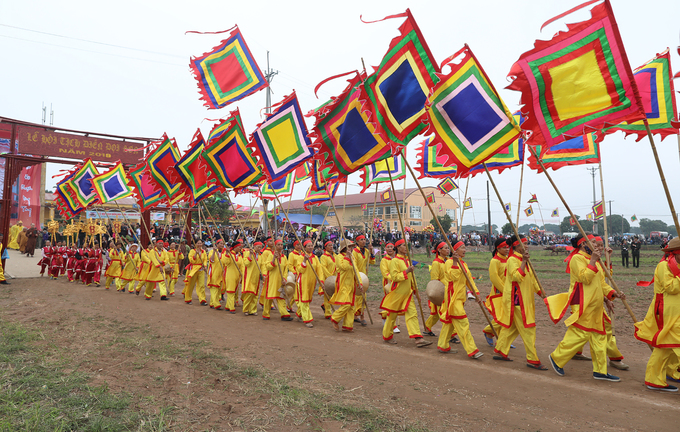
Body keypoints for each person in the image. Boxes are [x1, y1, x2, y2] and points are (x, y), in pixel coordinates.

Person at [546, 234, 624, 381]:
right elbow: (584, 278)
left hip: (595, 304)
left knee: (599, 336)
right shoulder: (577, 258)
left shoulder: (595, 260)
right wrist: (593, 260)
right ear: (583, 245)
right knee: (579, 335)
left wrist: (613, 293)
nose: (596, 245)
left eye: (596, 242)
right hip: (582, 303)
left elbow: (602, 283)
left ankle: (600, 371)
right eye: (593, 242)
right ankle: (557, 358)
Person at [490, 235, 548, 369]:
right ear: (516, 246)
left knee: (512, 327)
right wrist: (523, 262)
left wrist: (542, 294)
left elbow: (532, 280)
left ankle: (500, 350)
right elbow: (516, 276)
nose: (527, 246)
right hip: (517, 300)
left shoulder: (523, 259)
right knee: (528, 329)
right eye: (525, 244)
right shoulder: (512, 260)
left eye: (527, 244)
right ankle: (532, 359)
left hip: (525, 299)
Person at [634, 237, 680, 391]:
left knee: (666, 345)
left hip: (677, 312)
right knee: (666, 343)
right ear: (675, 253)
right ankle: (654, 379)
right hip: (666, 311)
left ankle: (660, 376)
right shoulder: (663, 266)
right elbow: (671, 288)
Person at [381, 239, 432, 348]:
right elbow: (394, 277)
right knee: (392, 316)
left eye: (407, 245)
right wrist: (406, 271)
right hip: (398, 292)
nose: (406, 248)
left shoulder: (407, 260)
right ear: (398, 248)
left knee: (412, 314)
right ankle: (387, 335)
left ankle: (418, 338)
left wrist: (416, 291)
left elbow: (411, 278)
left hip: (408, 293)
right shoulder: (395, 261)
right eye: (404, 245)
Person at [436, 241, 481, 357]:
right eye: (462, 248)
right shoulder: (449, 262)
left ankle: (443, 345)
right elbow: (453, 277)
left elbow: (469, 280)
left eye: (465, 247)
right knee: (463, 323)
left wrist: (476, 293)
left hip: (460, 298)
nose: (465, 250)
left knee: (450, 323)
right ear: (455, 250)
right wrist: (455, 262)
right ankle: (472, 350)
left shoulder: (464, 264)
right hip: (452, 298)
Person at [484, 238, 509, 346]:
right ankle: (489, 331)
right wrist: (505, 290)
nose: (507, 249)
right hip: (499, 292)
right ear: (497, 248)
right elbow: (494, 278)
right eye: (504, 247)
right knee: (501, 317)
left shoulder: (509, 259)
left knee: (507, 316)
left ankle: (501, 340)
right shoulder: (494, 261)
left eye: (508, 247)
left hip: (509, 291)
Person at [330, 239, 360, 332]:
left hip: (351, 284)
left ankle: (348, 326)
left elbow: (356, 271)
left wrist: (359, 282)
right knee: (346, 304)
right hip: (343, 283)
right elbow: (344, 267)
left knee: (351, 306)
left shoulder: (353, 257)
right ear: (344, 248)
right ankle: (335, 318)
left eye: (352, 247)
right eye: (350, 247)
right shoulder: (339, 257)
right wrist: (347, 256)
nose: (352, 248)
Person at [262, 239, 293, 321]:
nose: (280, 246)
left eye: (281, 245)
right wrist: (273, 259)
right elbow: (268, 267)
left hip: (280, 280)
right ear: (275, 246)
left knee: (281, 297)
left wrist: (285, 279)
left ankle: (285, 314)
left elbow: (285, 270)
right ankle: (266, 314)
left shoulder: (284, 257)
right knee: (269, 297)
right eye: (278, 245)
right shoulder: (271, 255)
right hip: (272, 280)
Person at [425, 241, 450, 337]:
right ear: (439, 250)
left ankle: (427, 328)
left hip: (448, 290)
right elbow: (434, 280)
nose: (448, 250)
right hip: (439, 291)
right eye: (446, 248)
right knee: (443, 313)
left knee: (436, 314)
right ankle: (450, 334)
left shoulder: (448, 261)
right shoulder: (436, 263)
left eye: (448, 248)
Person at [296, 240, 322, 328]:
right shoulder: (300, 257)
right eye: (309, 246)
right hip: (303, 281)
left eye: (312, 246)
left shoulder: (315, 258)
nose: (311, 247)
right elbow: (300, 270)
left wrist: (321, 281)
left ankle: (299, 313)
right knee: (304, 300)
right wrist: (304, 260)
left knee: (308, 300)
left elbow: (319, 269)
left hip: (312, 282)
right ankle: (307, 319)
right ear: (304, 247)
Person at [352, 234, 375, 326]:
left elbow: (372, 261)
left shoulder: (366, 251)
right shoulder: (354, 252)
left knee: (362, 298)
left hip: (364, 277)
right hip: (356, 277)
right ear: (357, 242)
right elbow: (354, 265)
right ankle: (356, 316)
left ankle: (361, 315)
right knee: (356, 297)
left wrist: (371, 251)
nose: (364, 241)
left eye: (364, 239)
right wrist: (357, 277)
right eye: (361, 240)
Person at [240, 241, 263, 316]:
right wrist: (250, 254)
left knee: (255, 294)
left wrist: (264, 274)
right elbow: (246, 263)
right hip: (249, 276)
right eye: (258, 247)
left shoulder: (260, 256)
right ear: (254, 246)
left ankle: (252, 310)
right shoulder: (247, 253)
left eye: (260, 247)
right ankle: (246, 309)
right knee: (249, 293)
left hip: (256, 277)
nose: (259, 249)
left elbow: (262, 266)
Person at [184, 240, 208, 305]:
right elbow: (192, 261)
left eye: (200, 243)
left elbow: (205, 259)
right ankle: (188, 299)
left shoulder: (203, 252)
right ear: (195, 244)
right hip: (194, 269)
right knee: (191, 285)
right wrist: (195, 254)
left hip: (201, 269)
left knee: (201, 285)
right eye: (198, 243)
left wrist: (205, 266)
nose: (199, 244)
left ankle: (202, 299)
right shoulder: (192, 251)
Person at [207, 239, 228, 309]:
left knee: (218, 288)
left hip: (221, 273)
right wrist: (214, 252)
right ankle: (216, 304)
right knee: (214, 287)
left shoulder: (224, 253)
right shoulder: (212, 252)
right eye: (221, 244)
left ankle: (212, 303)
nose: (222, 245)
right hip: (214, 272)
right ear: (217, 244)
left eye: (223, 244)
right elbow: (211, 260)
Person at [318, 240, 336, 319]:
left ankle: (324, 305)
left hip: (335, 278)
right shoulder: (323, 257)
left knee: (333, 295)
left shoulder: (335, 255)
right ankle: (328, 313)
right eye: (329, 245)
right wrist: (330, 277)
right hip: (327, 279)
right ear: (325, 247)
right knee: (327, 295)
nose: (331, 247)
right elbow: (323, 268)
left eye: (332, 245)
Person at [224, 241, 243, 313]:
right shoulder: (230, 254)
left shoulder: (240, 255)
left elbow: (242, 265)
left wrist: (242, 274)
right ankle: (231, 307)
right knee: (231, 291)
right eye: (239, 247)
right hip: (230, 274)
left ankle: (227, 306)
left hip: (237, 275)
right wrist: (227, 254)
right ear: (235, 247)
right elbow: (226, 263)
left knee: (234, 291)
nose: (240, 248)